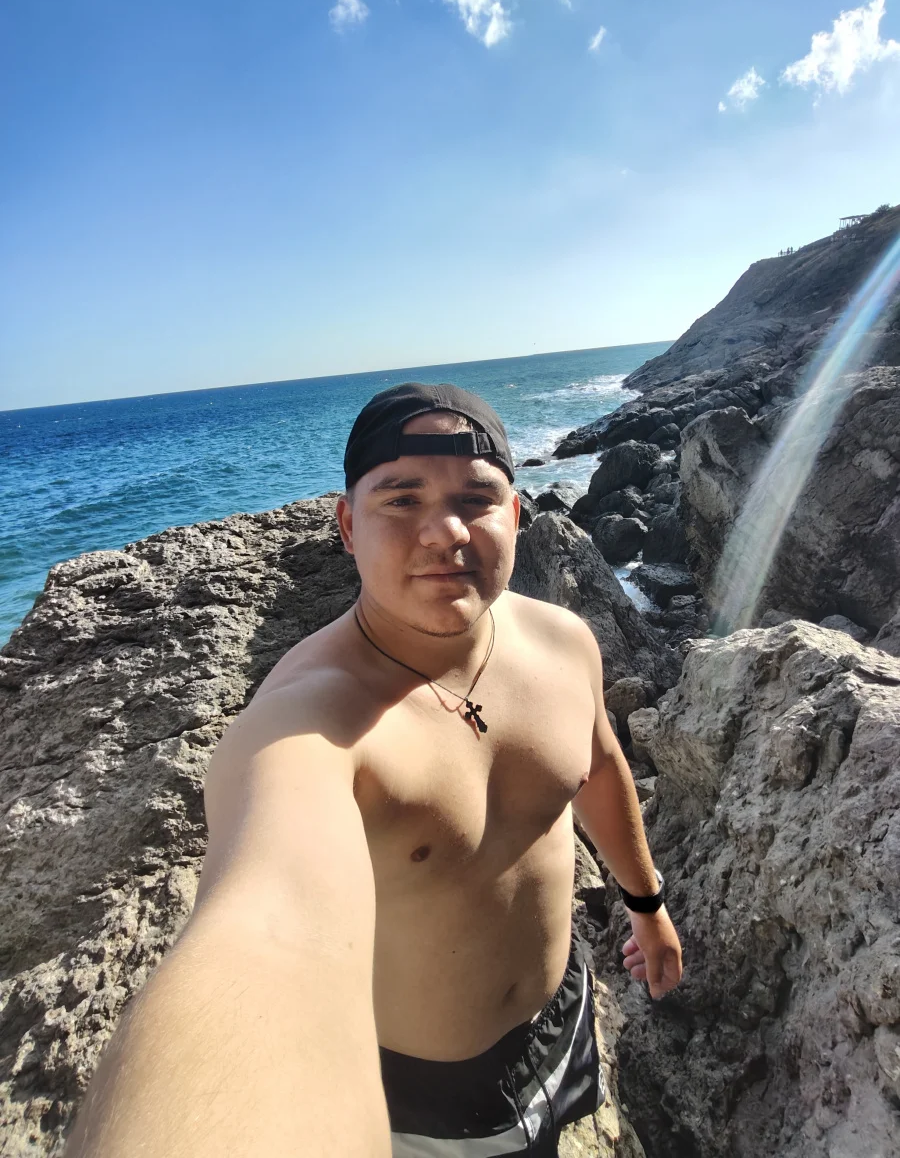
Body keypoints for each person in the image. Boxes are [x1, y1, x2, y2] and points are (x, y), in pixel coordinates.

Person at [66, 383, 682, 1158]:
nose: (446, 531)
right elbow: (263, 936)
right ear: (348, 526)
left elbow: (596, 763)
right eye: (401, 499)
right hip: (423, 1109)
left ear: (517, 514)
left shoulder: (564, 644)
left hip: (564, 1018)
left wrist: (646, 903)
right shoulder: (310, 725)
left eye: (476, 499)